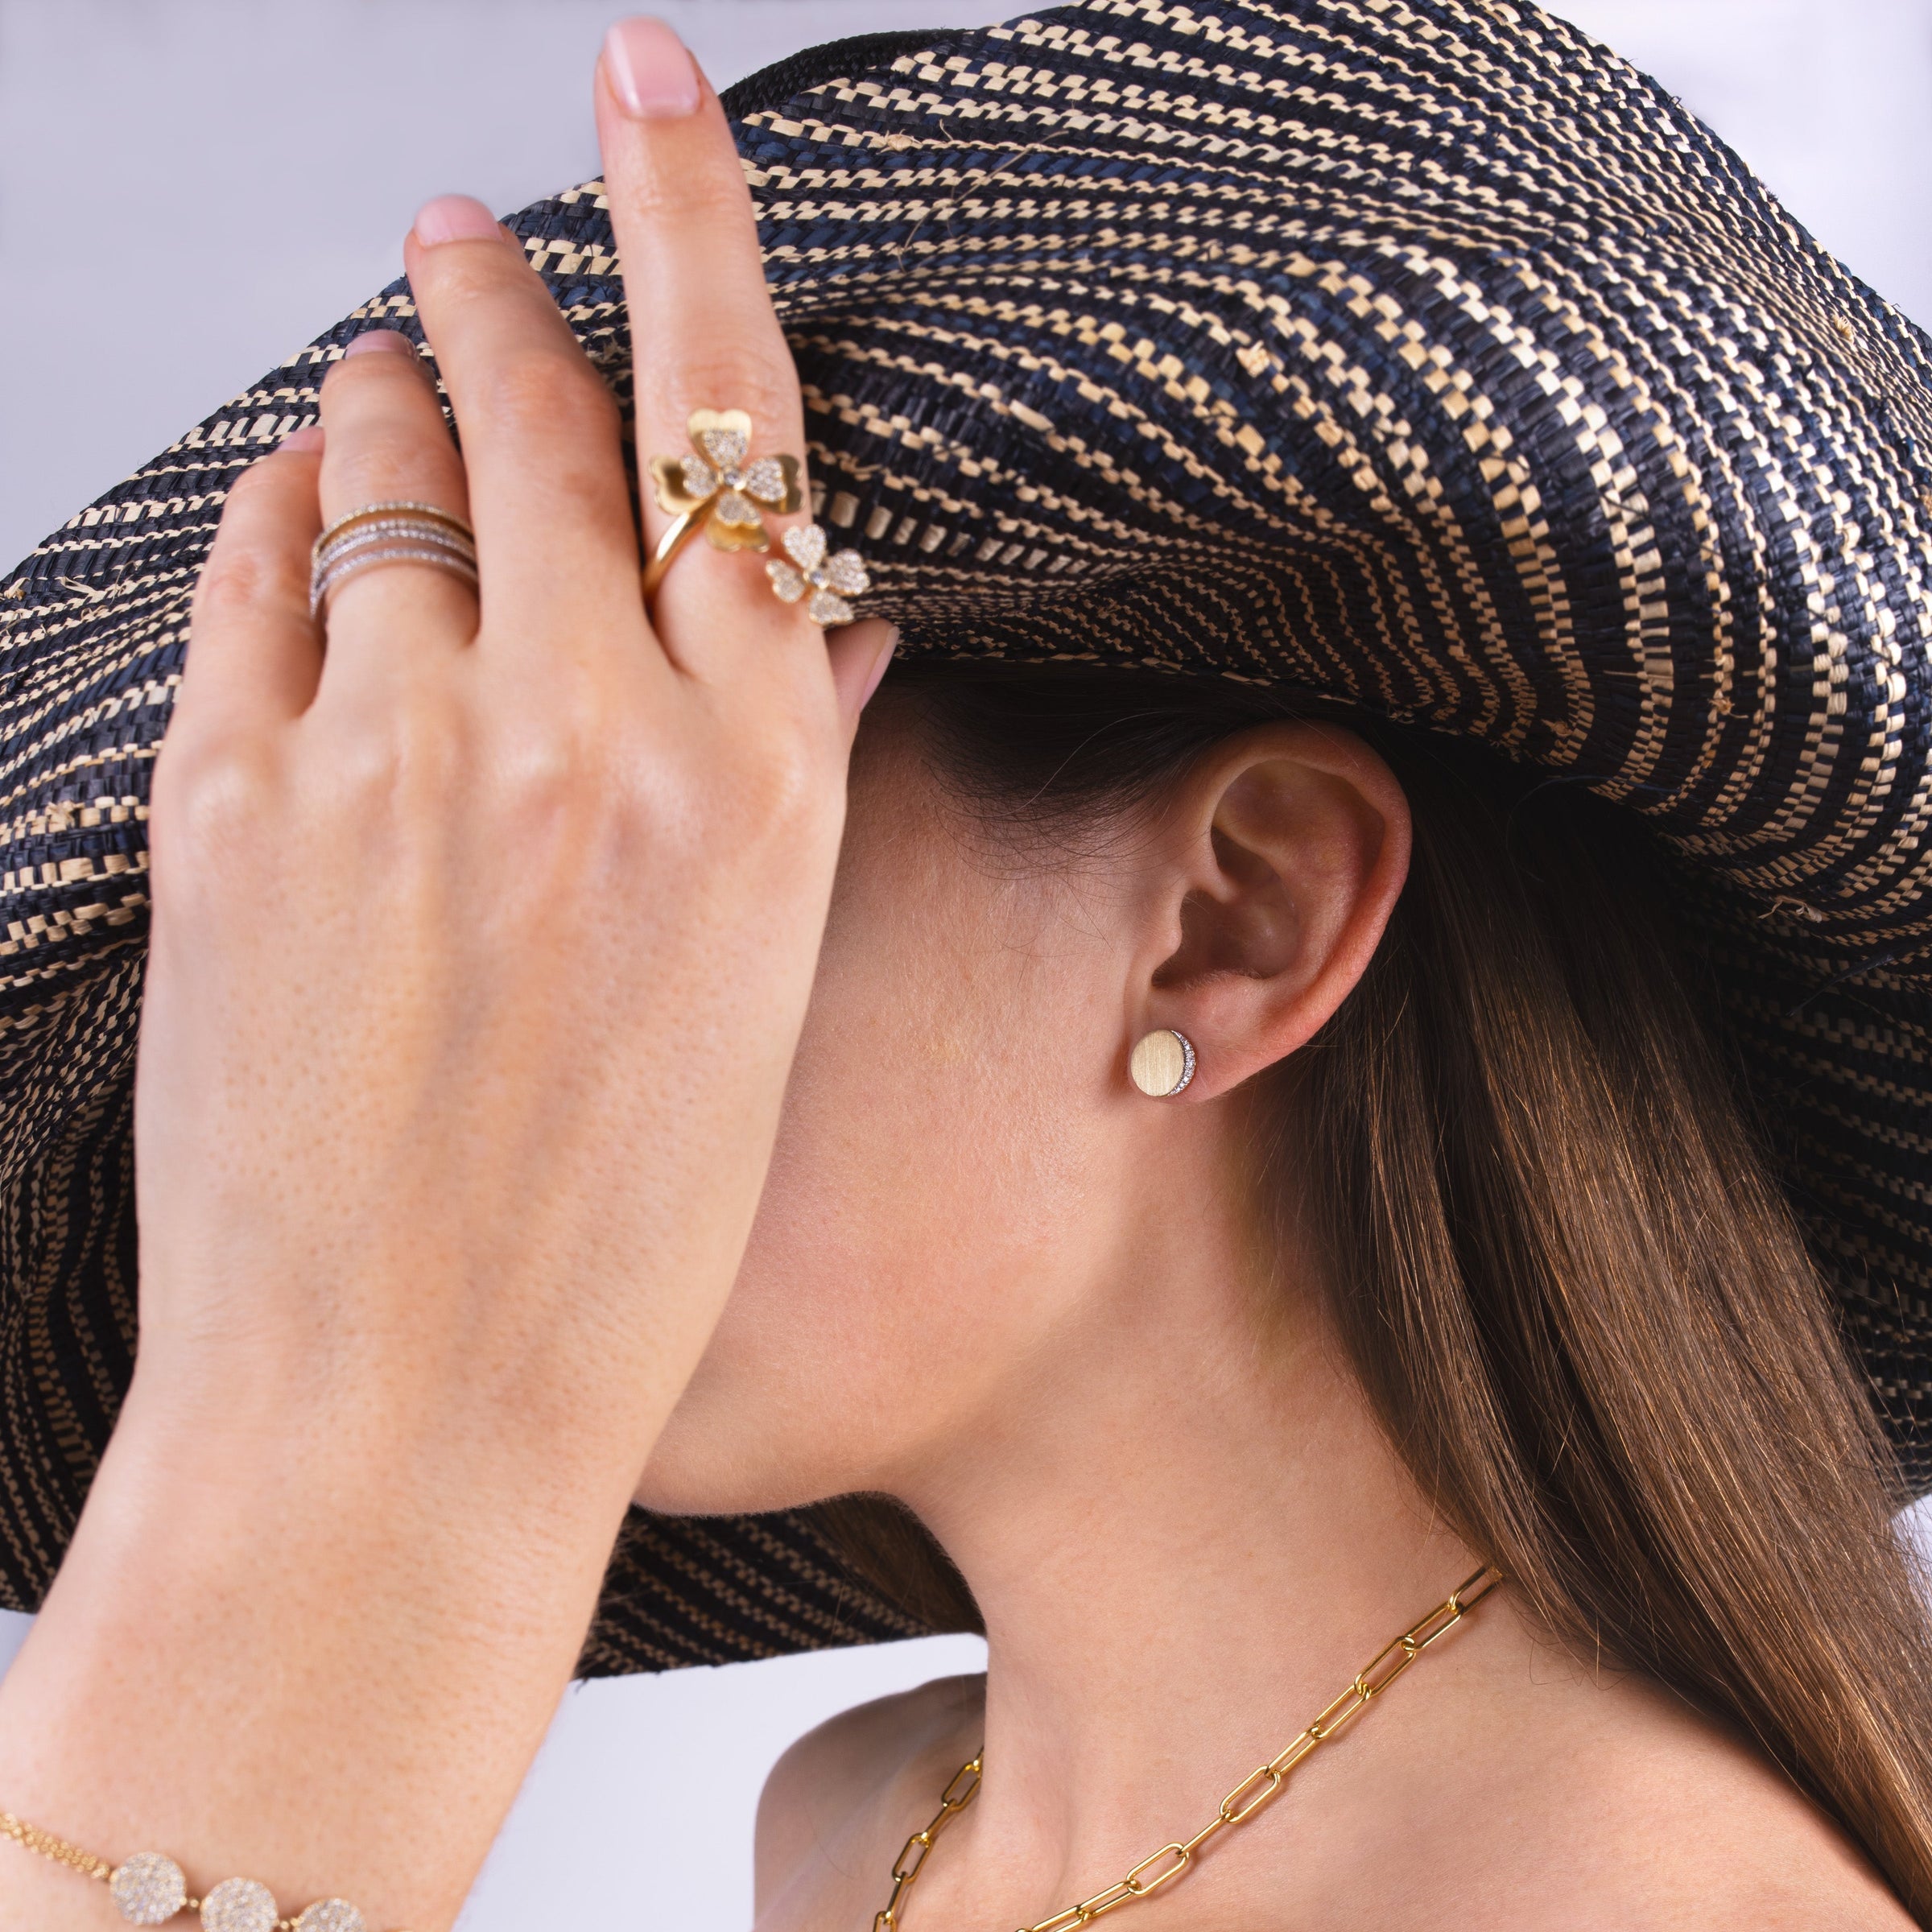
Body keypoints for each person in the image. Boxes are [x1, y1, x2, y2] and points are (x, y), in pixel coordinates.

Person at [0, 6, 1928, 1928]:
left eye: (624, 839)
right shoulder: (876, 1829)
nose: (417, 1023)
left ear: (1231, 924)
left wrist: (333, 1459)